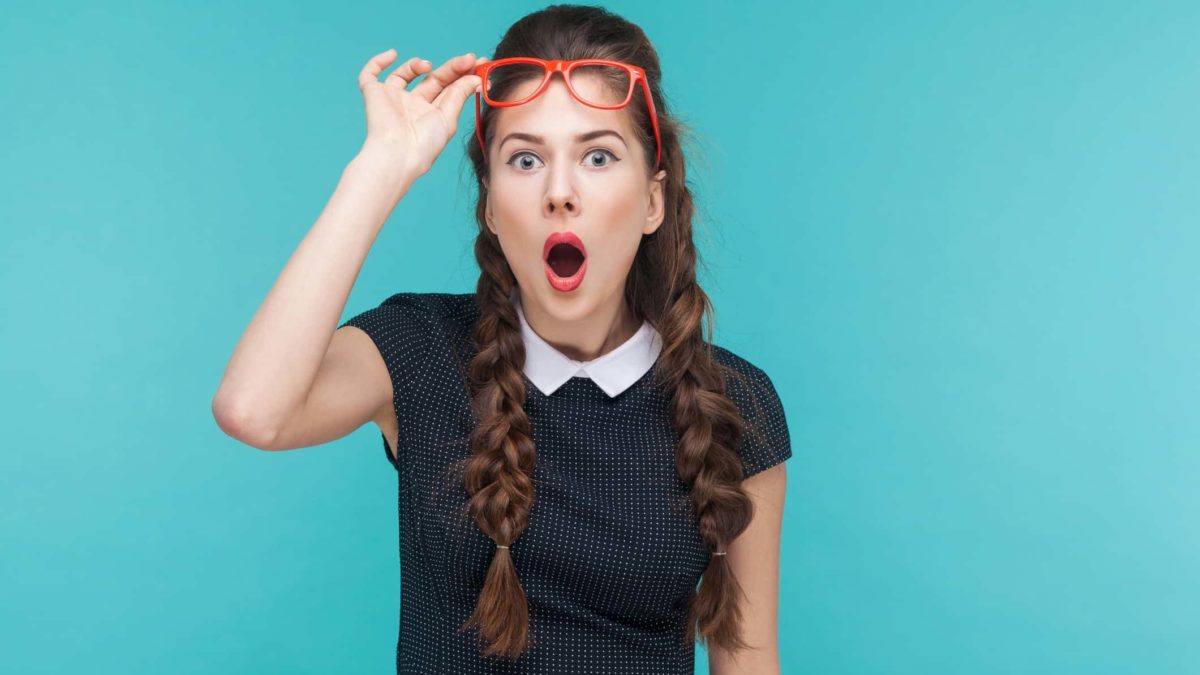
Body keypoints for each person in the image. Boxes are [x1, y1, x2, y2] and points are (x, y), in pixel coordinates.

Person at [212, 5, 792, 674]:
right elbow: (253, 409)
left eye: (598, 155)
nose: (559, 193)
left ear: (653, 202)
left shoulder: (737, 404)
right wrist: (381, 168)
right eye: (524, 159)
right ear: (490, 205)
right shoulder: (418, 348)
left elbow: (747, 661)